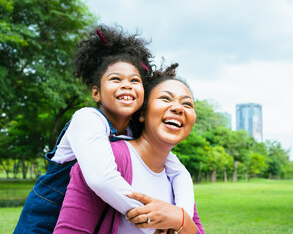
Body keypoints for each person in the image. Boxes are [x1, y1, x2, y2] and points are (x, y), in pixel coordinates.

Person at [14, 25, 200, 234]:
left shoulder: (132, 134)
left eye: (134, 80)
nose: (127, 85)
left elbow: (179, 172)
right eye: (116, 79)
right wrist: (151, 218)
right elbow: (101, 179)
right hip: (43, 223)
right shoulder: (87, 119)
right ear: (96, 93)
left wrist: (180, 217)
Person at [54, 67, 205, 234]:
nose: (178, 108)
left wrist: (181, 219)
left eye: (187, 104)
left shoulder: (176, 179)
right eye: (165, 98)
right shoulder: (106, 160)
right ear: (142, 113)